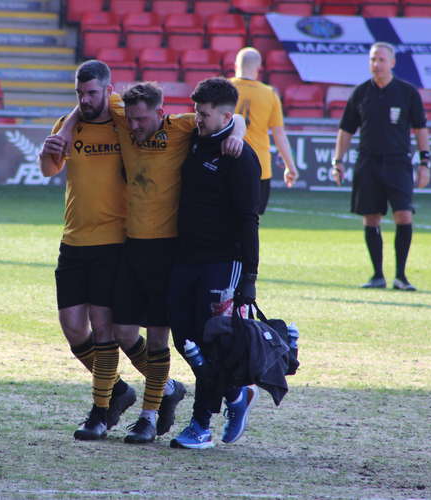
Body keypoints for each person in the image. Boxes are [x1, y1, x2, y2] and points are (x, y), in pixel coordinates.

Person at [58, 81, 245, 444]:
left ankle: (148, 415)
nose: (135, 127)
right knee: (123, 332)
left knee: (158, 336)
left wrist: (237, 131)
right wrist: (66, 128)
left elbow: (229, 118)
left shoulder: (182, 127)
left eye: (142, 119)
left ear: (160, 113)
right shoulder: (124, 121)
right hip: (131, 248)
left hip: (168, 252)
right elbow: (85, 104)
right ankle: (166, 391)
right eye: (130, 119)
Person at [39, 60, 137, 441]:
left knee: (103, 329)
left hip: (113, 242)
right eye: (80, 93)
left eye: (93, 92)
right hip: (74, 240)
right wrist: (50, 148)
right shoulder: (71, 121)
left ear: (109, 89)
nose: (86, 99)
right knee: (72, 328)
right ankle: (123, 389)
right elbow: (49, 169)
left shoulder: (124, 119)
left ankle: (100, 411)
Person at [167, 77, 262, 450]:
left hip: (224, 262)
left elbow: (249, 220)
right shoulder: (194, 139)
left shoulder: (240, 158)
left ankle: (201, 424)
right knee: (183, 337)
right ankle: (235, 394)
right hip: (185, 257)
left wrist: (250, 275)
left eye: (203, 113)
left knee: (214, 342)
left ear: (225, 114)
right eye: (195, 110)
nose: (196, 118)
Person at [333, 41, 430, 291]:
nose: (376, 64)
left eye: (381, 60)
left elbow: (420, 129)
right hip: (368, 163)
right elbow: (346, 130)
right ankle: (377, 275)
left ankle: (401, 276)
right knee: (371, 218)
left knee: (404, 214)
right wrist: (338, 161)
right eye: (373, 59)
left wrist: (424, 163)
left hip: (398, 162)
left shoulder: (407, 93)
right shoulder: (361, 92)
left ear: (392, 63)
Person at [230, 47, 298, 213]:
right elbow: (279, 135)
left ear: (235, 65)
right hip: (258, 166)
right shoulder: (269, 94)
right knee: (252, 222)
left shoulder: (223, 88)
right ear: (259, 69)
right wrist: (291, 166)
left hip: (227, 162)